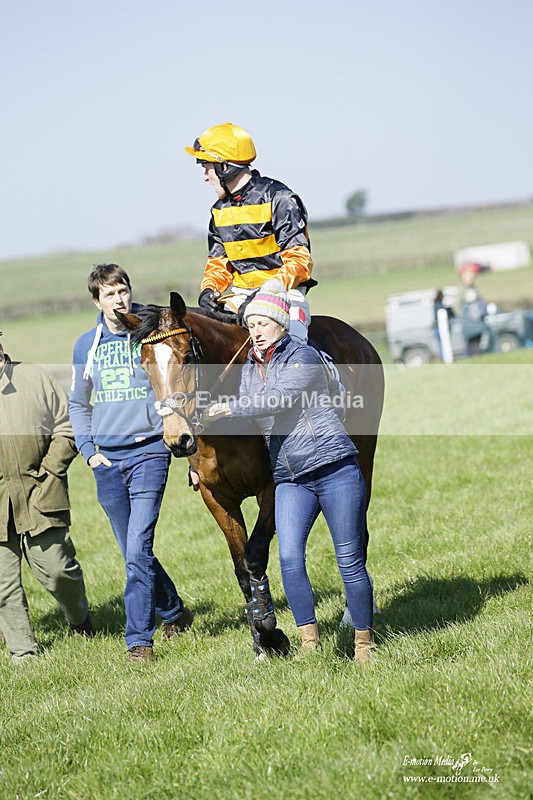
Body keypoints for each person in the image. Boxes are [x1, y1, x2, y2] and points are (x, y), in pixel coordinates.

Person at [204, 288, 376, 662]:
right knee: (290, 560)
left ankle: (364, 642)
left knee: (348, 560)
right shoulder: (251, 368)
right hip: (292, 478)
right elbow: (252, 417)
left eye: (263, 322)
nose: (256, 330)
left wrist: (226, 409)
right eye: (250, 324)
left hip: (334, 469)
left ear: (281, 324)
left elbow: (277, 399)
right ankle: (310, 644)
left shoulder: (305, 356)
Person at [69, 264, 193, 663]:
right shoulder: (85, 346)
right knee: (132, 552)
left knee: (138, 549)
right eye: (109, 294)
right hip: (107, 460)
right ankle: (174, 611)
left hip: (149, 453)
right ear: (97, 301)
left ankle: (139, 640)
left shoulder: (150, 335)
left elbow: (179, 387)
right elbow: (77, 402)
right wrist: (89, 450)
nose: (119, 299)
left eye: (123, 290)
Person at [0, 331, 92, 664]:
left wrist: (51, 470)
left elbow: (66, 426)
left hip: (40, 490)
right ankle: (23, 653)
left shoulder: (34, 377)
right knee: (3, 585)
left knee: (57, 571)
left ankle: (80, 619)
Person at [185, 122, 315, 343]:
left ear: (224, 168)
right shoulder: (218, 211)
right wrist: (209, 290)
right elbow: (219, 265)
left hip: (284, 293)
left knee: (291, 352)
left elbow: (299, 263)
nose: (205, 177)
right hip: (241, 296)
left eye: (206, 168)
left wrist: (264, 293)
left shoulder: (281, 199)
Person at [459, 269, 496, 356]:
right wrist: (462, 315)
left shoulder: (474, 289)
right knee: (471, 344)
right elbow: (456, 306)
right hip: (469, 323)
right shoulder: (462, 290)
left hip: (477, 322)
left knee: (478, 342)